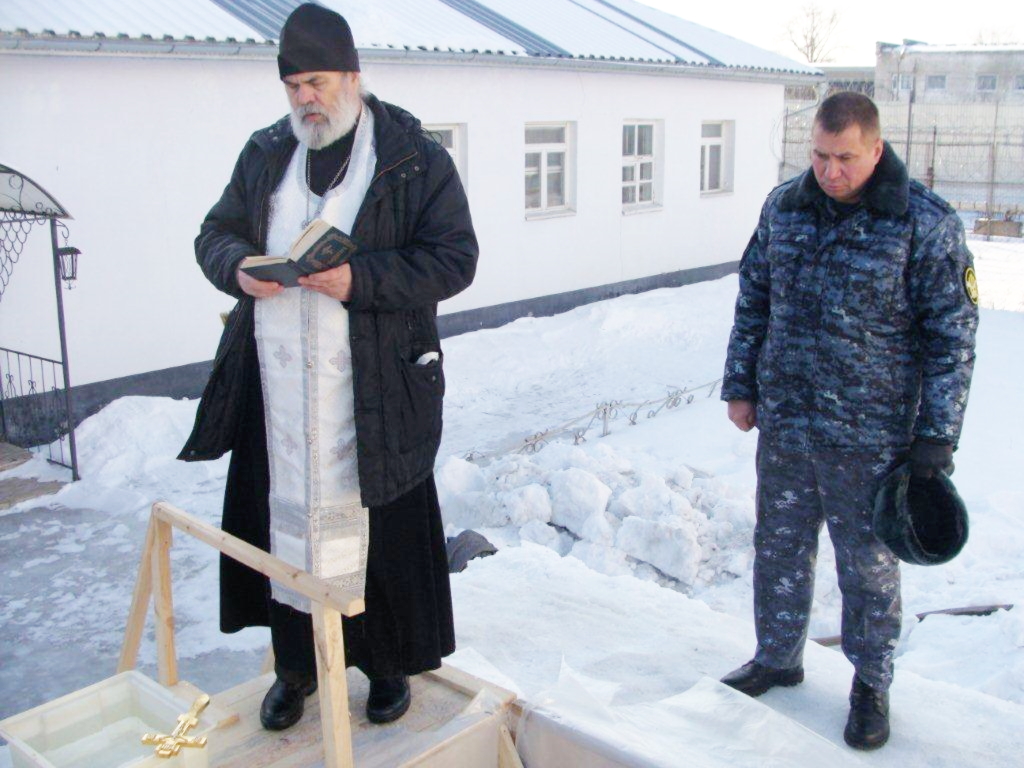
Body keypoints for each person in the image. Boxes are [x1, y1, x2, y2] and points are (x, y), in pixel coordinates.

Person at [179, 3, 478, 731]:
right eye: (293, 87)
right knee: (288, 533)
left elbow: (454, 259)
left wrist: (359, 279)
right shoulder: (265, 153)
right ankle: (296, 667)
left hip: (375, 390)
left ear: (352, 75)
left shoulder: (412, 157)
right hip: (279, 394)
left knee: (378, 537)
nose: (305, 99)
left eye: (316, 82)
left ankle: (384, 665)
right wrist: (237, 268)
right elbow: (215, 233)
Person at [719, 92, 978, 750]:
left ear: (876, 150)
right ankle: (777, 656)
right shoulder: (785, 208)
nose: (830, 172)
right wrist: (741, 385)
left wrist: (936, 436)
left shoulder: (923, 223)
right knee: (779, 547)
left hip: (871, 437)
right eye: (819, 156)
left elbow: (952, 338)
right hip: (786, 423)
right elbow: (754, 298)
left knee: (867, 567)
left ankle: (871, 684)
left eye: (845, 159)